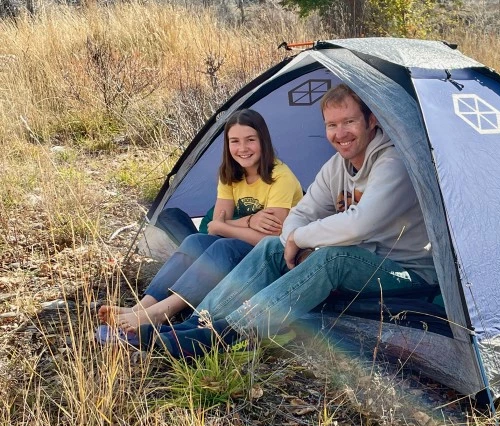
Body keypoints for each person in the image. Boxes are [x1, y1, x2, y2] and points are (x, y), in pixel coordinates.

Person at [137, 84, 436, 358]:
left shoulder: (392, 163)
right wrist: (292, 237)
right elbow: (301, 213)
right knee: (271, 247)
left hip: (406, 274)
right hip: (361, 262)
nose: (340, 133)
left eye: (349, 122)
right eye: (332, 125)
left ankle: (230, 334)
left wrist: (300, 239)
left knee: (333, 258)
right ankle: (195, 326)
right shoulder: (337, 166)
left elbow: (359, 224)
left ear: (371, 122)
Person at [100, 109, 303, 332]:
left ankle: (162, 312)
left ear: (263, 140)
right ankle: (142, 308)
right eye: (234, 141)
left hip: (276, 257)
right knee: (196, 241)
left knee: (223, 247)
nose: (242, 148)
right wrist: (249, 220)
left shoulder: (280, 177)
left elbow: (269, 239)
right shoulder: (230, 174)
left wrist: (224, 226)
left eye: (250, 140)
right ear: (227, 145)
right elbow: (214, 226)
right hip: (245, 246)